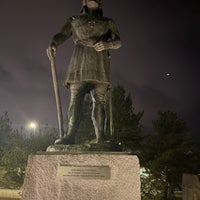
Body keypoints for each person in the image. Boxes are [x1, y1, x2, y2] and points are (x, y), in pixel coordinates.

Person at [47, 0, 121, 145]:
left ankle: (101, 137)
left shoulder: (108, 22)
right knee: (75, 101)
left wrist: (107, 44)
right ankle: (70, 136)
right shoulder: (74, 20)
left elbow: (118, 41)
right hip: (79, 62)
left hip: (100, 62)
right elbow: (61, 34)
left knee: (100, 101)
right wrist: (53, 43)